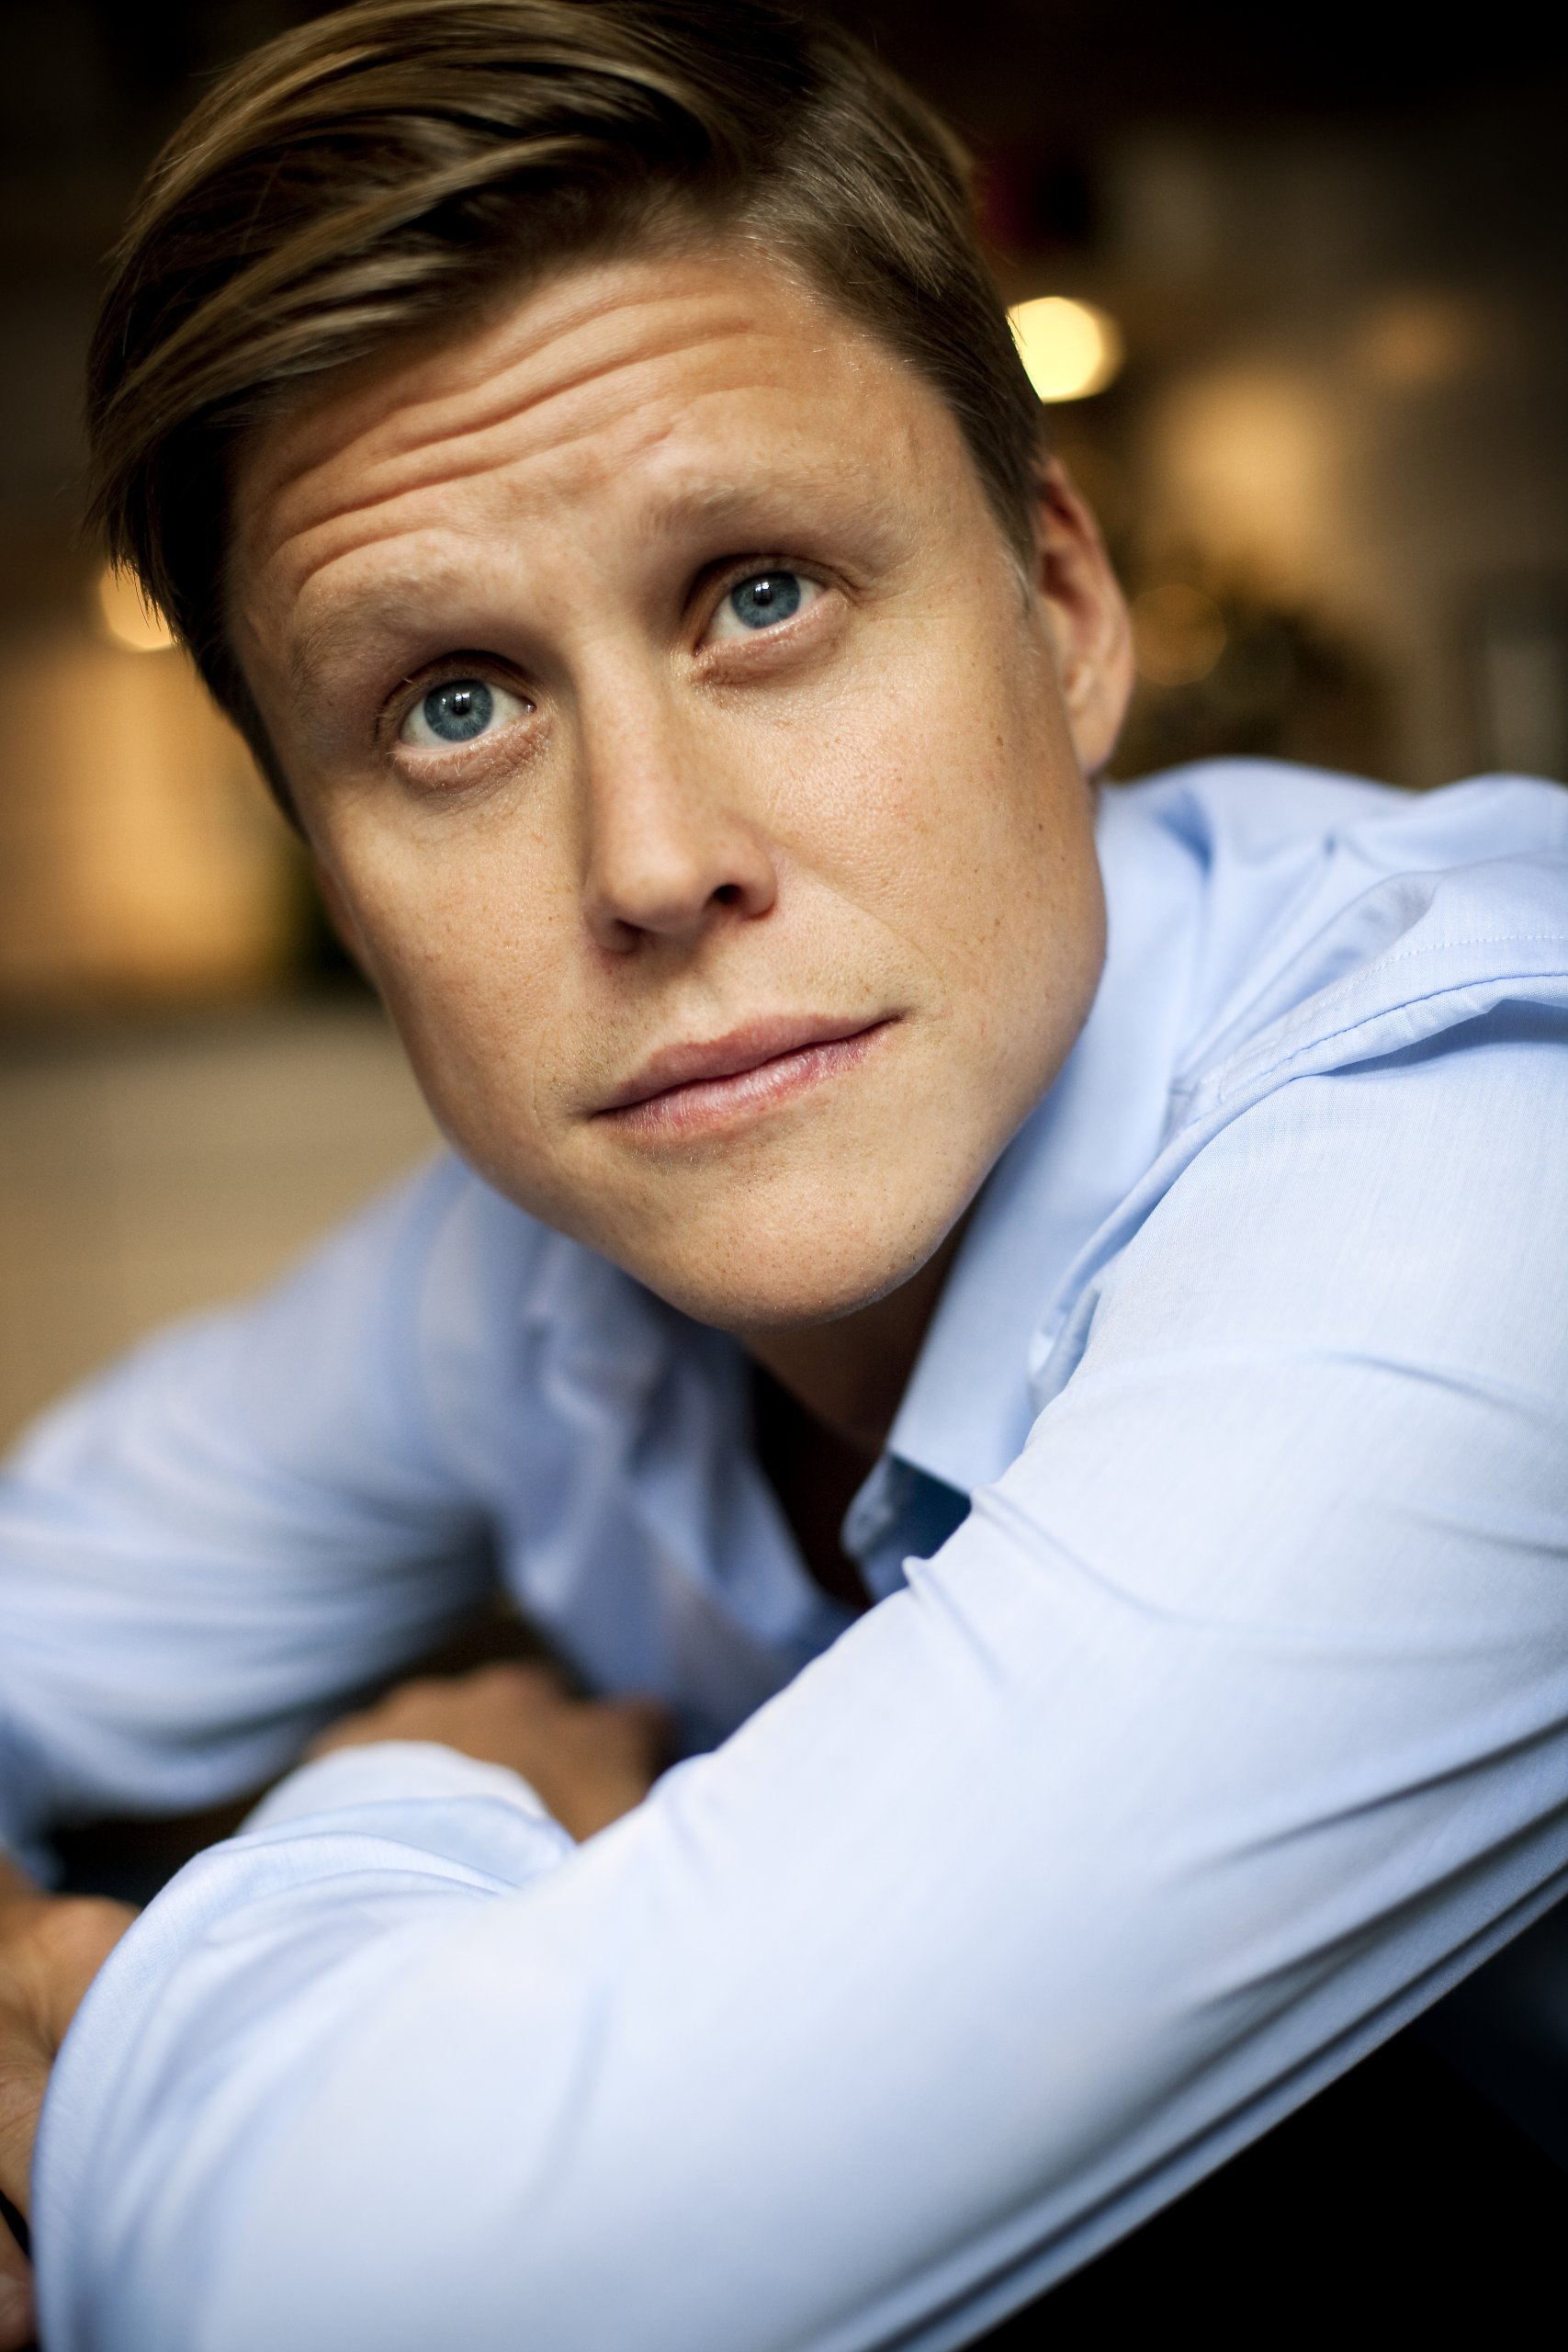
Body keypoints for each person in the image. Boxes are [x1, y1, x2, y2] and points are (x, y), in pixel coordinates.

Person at [3, 2, 1567, 2344]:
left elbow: (356, 2298)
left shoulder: (1480, 1170)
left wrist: (409, 1795)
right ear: (328, 864)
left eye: (758, 592)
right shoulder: (526, 1264)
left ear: (1061, 612)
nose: (650, 863)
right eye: (450, 704)